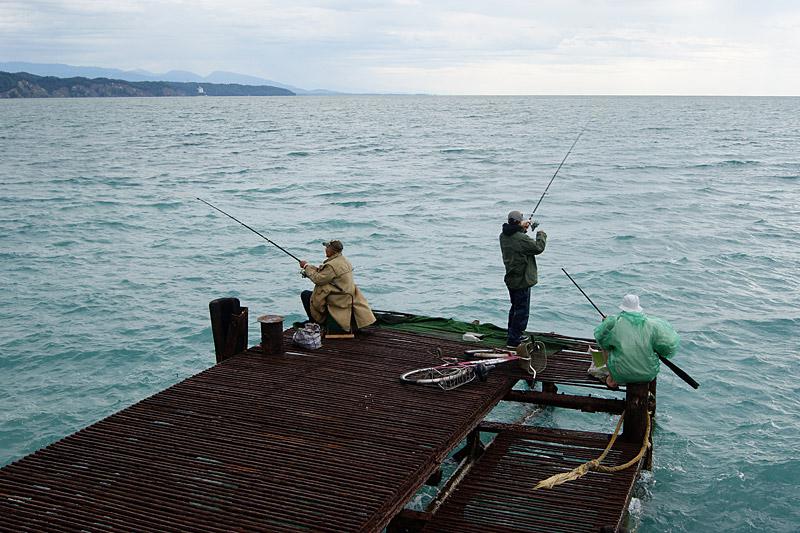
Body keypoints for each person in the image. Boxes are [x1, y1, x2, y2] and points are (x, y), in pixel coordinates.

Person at [593, 294, 680, 389]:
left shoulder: (613, 323)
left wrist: (606, 324)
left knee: (605, 347)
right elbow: (668, 347)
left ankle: (612, 379)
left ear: (623, 307)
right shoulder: (652, 325)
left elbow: (600, 339)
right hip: (648, 375)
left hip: (621, 374)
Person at [299, 240, 376, 332]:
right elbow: (325, 274)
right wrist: (309, 267)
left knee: (305, 295)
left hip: (337, 298)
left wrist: (306, 267)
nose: (325, 249)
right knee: (311, 294)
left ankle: (316, 322)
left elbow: (318, 280)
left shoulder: (332, 266)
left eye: (327, 248)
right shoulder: (344, 261)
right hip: (346, 296)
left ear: (333, 251)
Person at [499, 210, 547, 348]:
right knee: (522, 311)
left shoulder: (503, 236)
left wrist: (522, 228)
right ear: (519, 222)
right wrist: (540, 234)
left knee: (515, 308)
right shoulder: (521, 238)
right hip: (522, 280)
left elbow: (517, 240)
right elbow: (538, 248)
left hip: (511, 278)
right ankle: (514, 340)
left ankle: (512, 334)